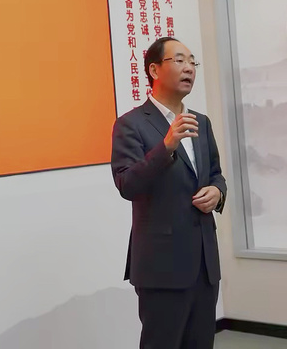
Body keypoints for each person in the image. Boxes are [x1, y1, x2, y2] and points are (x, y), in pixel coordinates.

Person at [111, 37, 226, 349]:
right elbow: (127, 184)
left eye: (192, 62)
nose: (189, 68)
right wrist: (166, 147)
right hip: (162, 266)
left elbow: (216, 173)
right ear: (154, 70)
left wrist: (217, 191)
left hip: (204, 263)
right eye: (179, 60)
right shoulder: (131, 124)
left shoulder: (201, 122)